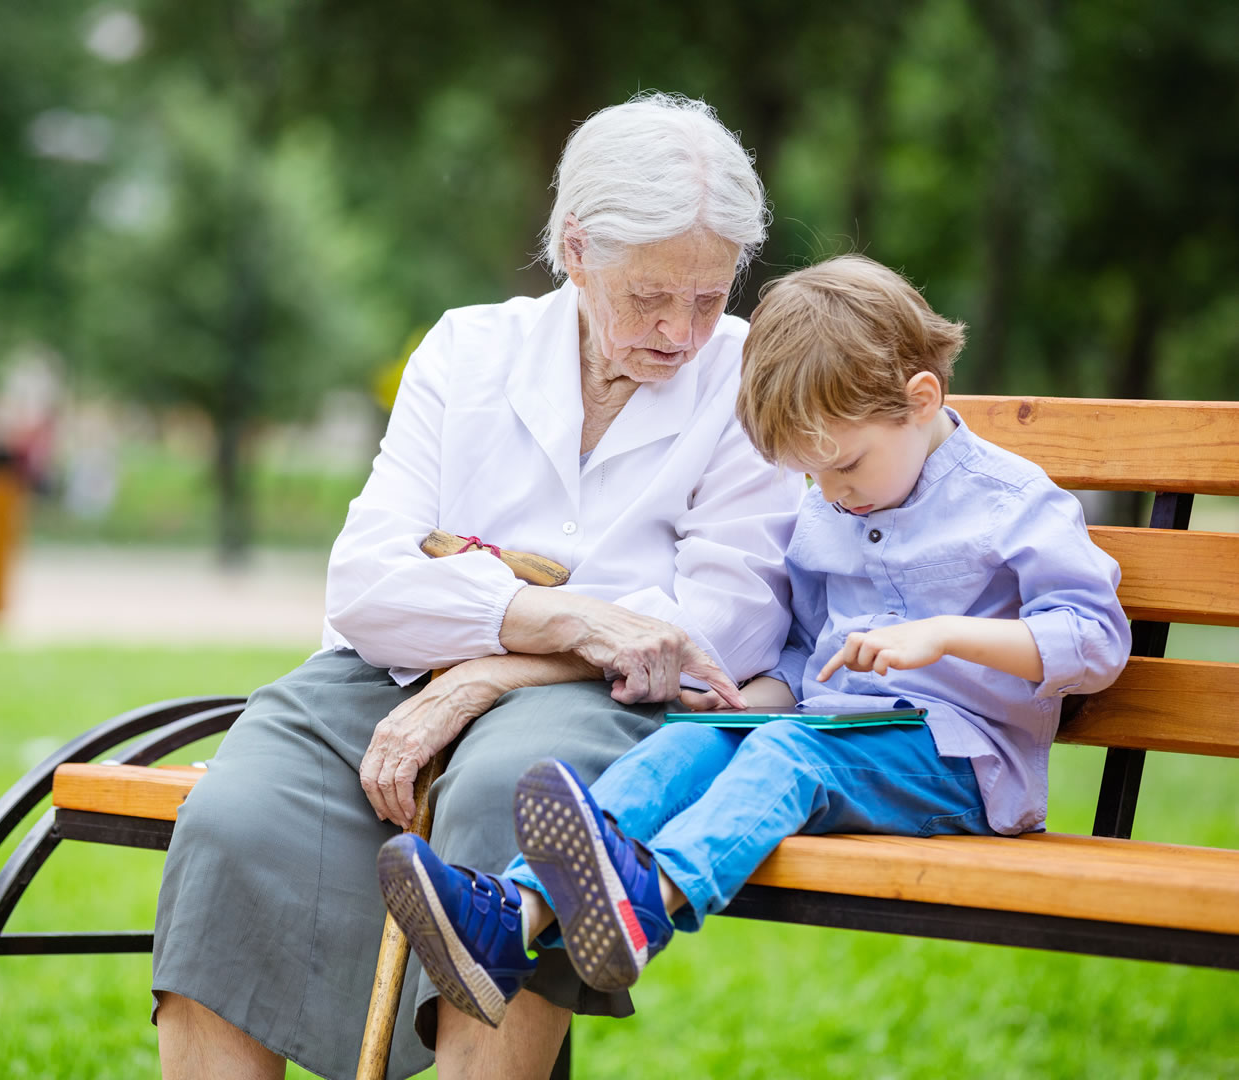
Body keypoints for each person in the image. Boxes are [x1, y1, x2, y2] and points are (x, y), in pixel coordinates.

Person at [150, 92, 806, 1080]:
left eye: (709, 297)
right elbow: (368, 583)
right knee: (233, 819)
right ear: (577, 251)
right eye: (649, 297)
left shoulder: (751, 375)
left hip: (598, 706)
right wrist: (570, 616)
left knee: (515, 793)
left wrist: (490, 673)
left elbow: (717, 630)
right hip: (382, 682)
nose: (681, 331)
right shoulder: (468, 349)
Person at [377, 254, 1132, 1022]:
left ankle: (650, 902)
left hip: (961, 764)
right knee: (695, 741)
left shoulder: (1011, 503)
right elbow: (804, 657)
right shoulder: (830, 514)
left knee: (785, 752)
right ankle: (513, 917)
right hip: (842, 736)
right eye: (814, 477)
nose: (832, 494)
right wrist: (741, 702)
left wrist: (945, 637)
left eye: (844, 465)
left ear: (921, 399)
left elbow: (1096, 639)